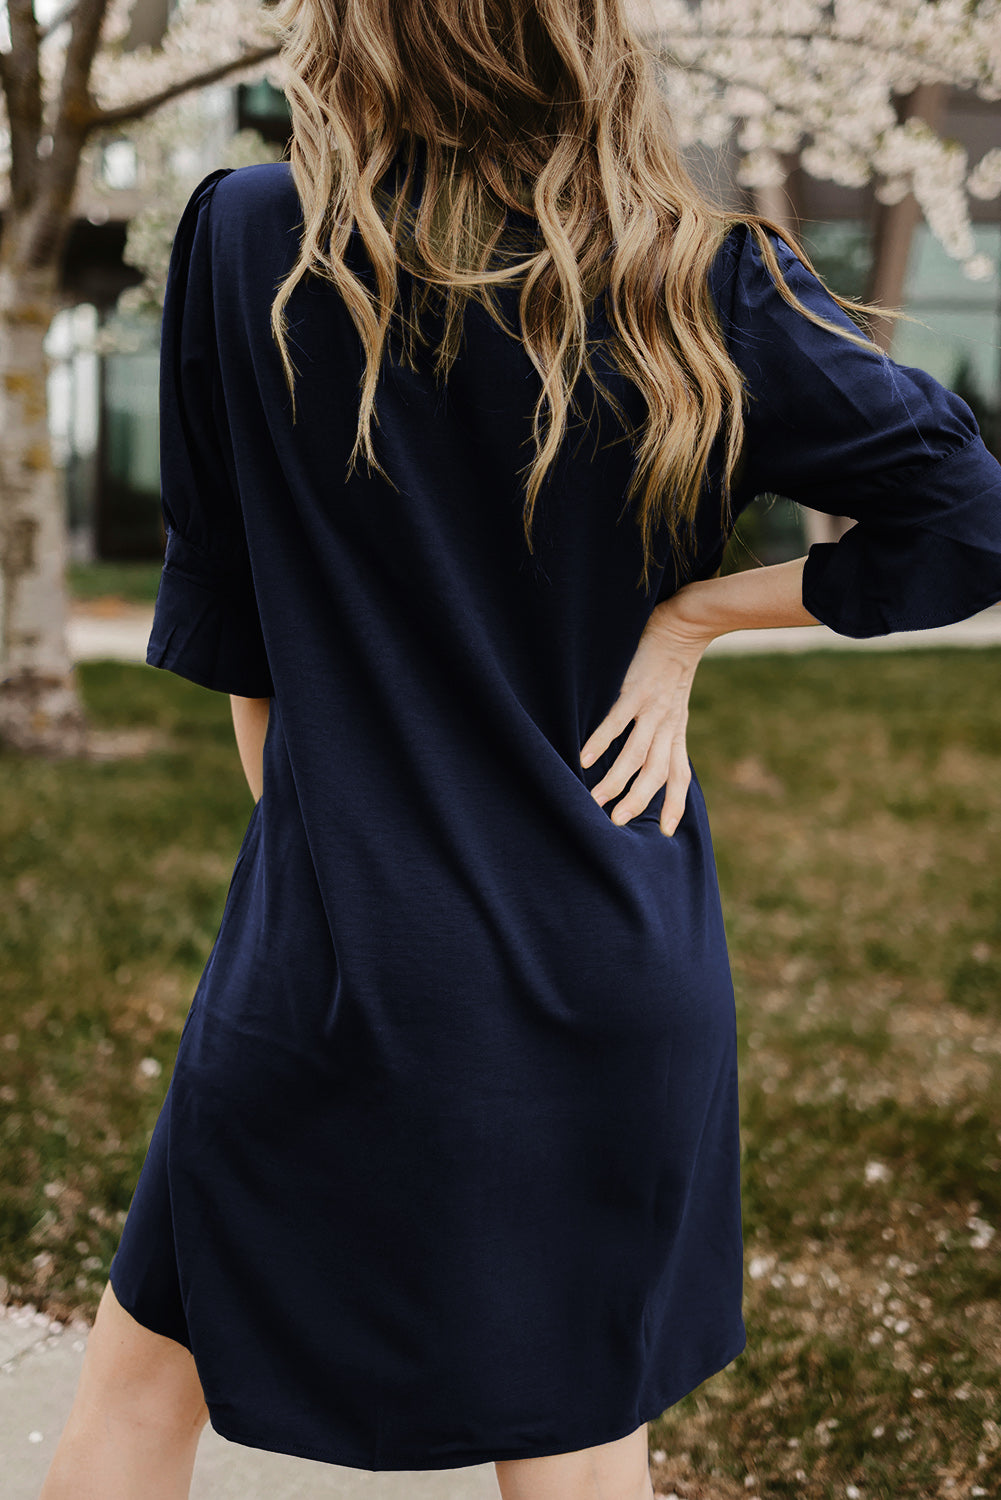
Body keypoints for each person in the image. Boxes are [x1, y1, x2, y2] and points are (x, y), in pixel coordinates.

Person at [39, 0, 1001, 1497]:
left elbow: (235, 636)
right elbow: (968, 514)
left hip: (332, 958)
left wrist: (336, 879)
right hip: (601, 961)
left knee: (135, 1404)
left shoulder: (248, 238)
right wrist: (697, 616)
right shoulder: (695, 278)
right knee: (575, 1457)